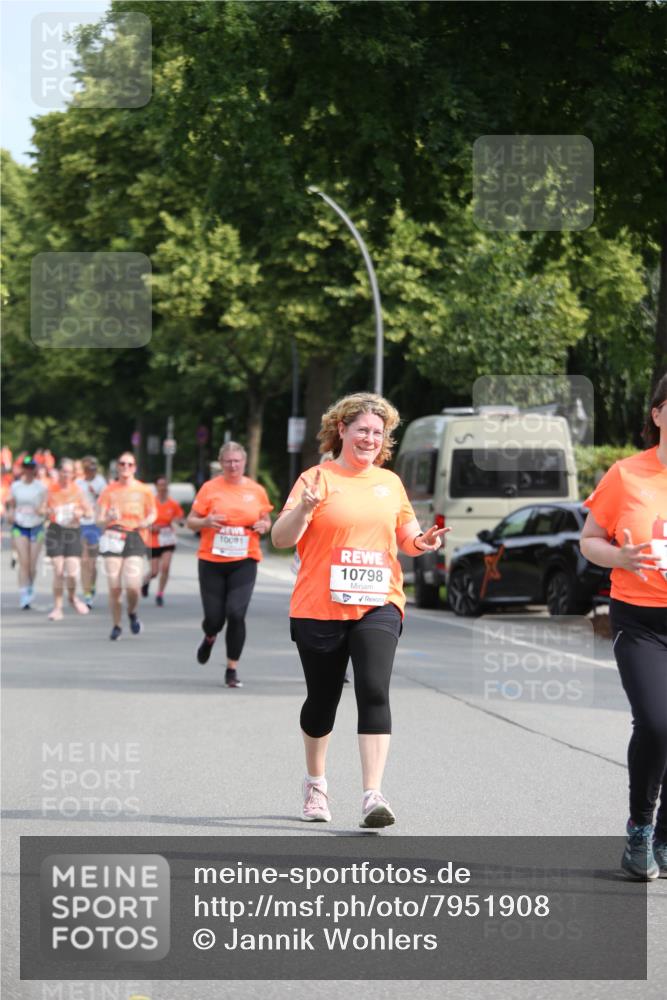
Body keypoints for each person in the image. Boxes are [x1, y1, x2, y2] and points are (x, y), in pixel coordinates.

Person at [271, 392, 448, 828]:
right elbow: (280, 538)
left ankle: (373, 795)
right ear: (342, 430)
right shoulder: (316, 479)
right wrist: (306, 510)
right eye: (363, 430)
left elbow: (406, 537)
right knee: (322, 701)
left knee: (373, 688)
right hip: (319, 605)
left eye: (378, 432)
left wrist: (422, 543)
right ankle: (316, 783)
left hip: (379, 602)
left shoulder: (391, 484)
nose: (370, 438)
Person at [580, 373, 667, 880]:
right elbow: (589, 539)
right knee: (657, 723)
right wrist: (620, 555)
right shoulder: (626, 474)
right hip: (641, 618)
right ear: (657, 413)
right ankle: (640, 827)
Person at [186, 442, 273, 688]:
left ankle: (231, 669)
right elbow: (190, 522)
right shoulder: (209, 488)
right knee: (214, 618)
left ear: (244, 463)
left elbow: (266, 519)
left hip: (245, 559)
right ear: (221, 463)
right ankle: (210, 635)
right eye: (228, 461)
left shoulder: (256, 490)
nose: (233, 465)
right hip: (212, 560)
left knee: (236, 613)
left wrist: (264, 526)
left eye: (237, 461)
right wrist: (206, 521)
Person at [97, 452, 157, 641]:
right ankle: (116, 625)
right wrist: (108, 517)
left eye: (129, 464)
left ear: (135, 467)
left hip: (135, 535)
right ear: (117, 467)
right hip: (113, 534)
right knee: (114, 586)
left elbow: (153, 512)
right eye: (122, 464)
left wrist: (147, 521)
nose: (125, 467)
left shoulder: (143, 490)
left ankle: (132, 612)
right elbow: (98, 519)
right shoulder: (109, 490)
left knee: (132, 585)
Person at [44, 458, 91, 620]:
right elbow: (40, 509)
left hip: (72, 532)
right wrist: (47, 510)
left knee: (72, 573)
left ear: (73, 474)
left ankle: (72, 597)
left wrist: (81, 513)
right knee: (58, 570)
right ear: (59, 472)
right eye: (63, 471)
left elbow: (90, 512)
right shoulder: (51, 489)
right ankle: (57, 608)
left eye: (69, 472)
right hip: (55, 531)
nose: (66, 475)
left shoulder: (78, 491)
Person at [7, 455, 47, 609]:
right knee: (23, 562)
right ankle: (24, 594)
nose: (29, 470)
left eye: (31, 467)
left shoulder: (41, 487)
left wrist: (41, 510)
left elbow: (45, 507)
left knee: (32, 564)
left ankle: (30, 585)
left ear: (34, 469)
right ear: (22, 469)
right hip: (20, 526)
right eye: (26, 467)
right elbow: (11, 504)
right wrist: (10, 513)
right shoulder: (16, 486)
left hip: (36, 526)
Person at [142, 476, 184, 606]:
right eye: (160, 485)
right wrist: (151, 527)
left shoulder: (173, 504)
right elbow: (142, 522)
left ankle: (160, 594)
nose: (163, 487)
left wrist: (178, 522)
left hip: (167, 540)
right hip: (152, 541)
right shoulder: (150, 504)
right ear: (156, 487)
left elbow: (181, 519)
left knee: (165, 567)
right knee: (154, 571)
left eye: (165, 485)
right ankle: (145, 582)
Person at [76, 456, 107, 607]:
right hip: (81, 523)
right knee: (84, 560)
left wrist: (96, 494)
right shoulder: (78, 483)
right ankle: (86, 593)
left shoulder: (101, 482)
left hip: (95, 524)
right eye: (88, 468)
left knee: (92, 562)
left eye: (93, 468)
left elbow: (106, 501)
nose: (91, 471)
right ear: (84, 470)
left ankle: (92, 585)